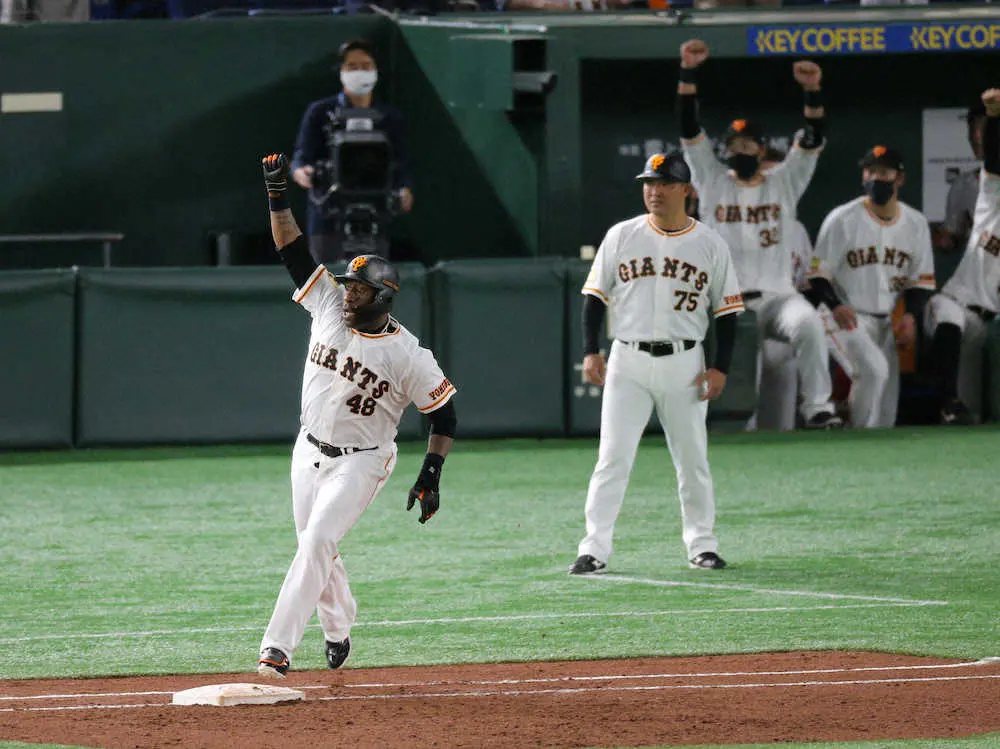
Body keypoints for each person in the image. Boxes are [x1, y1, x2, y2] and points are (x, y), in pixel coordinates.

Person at [256, 153, 456, 678]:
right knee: (315, 545)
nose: (348, 293)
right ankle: (339, 625)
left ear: (383, 296)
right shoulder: (328, 304)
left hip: (362, 460)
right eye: (347, 284)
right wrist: (277, 195)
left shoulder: (409, 356)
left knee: (319, 541)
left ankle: (276, 649)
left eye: (359, 289)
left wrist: (430, 474)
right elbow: (291, 248)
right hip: (307, 449)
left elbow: (444, 416)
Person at [569, 152, 744, 575]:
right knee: (612, 458)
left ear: (686, 190)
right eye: (649, 183)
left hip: (685, 362)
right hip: (627, 358)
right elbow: (594, 297)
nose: (654, 190)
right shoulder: (622, 235)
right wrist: (590, 350)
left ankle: (702, 545)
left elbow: (727, 312)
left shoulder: (710, 243)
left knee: (693, 460)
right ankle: (594, 549)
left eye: (665, 183)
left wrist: (721, 366)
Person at [677, 38, 842, 430]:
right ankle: (734, 424)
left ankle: (818, 407)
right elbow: (687, 127)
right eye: (734, 145)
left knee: (808, 323)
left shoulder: (783, 182)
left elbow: (813, 137)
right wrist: (688, 72)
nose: (741, 150)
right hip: (728, 301)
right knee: (739, 393)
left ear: (762, 148)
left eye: (748, 144)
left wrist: (812, 90)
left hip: (778, 296)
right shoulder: (713, 180)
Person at [808, 146, 936, 429]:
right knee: (873, 371)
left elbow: (920, 282)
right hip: (843, 315)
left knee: (886, 414)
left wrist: (910, 316)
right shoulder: (842, 218)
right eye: (871, 171)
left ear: (900, 178)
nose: (876, 178)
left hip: (886, 322)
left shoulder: (916, 223)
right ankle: (857, 440)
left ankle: (868, 445)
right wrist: (835, 305)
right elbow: (817, 275)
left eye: (884, 172)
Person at [291, 38, 413, 266]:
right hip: (328, 216)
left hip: (375, 215)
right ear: (341, 71)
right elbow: (300, 158)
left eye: (366, 66)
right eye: (352, 66)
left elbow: (402, 163)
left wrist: (405, 189)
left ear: (376, 70)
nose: (360, 72)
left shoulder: (391, 118)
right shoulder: (320, 112)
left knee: (371, 281)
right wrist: (302, 173)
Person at [924, 89, 1000, 426]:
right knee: (946, 313)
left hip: (994, 322)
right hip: (964, 305)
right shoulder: (990, 195)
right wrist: (995, 117)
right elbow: (994, 161)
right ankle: (948, 401)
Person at [937, 99, 988, 259]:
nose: (976, 136)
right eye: (972, 129)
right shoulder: (964, 185)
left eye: (984, 129)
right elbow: (950, 235)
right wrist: (946, 238)